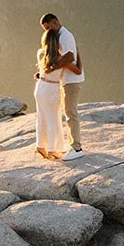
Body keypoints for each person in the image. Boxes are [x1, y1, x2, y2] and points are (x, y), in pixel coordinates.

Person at [40, 13, 85, 161]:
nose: (47, 31)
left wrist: (52, 67)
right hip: (67, 79)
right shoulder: (61, 36)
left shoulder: (65, 36)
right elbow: (74, 56)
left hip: (71, 80)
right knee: (68, 111)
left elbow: (70, 57)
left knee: (70, 112)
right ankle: (74, 145)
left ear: (54, 22)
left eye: (48, 27)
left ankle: (76, 148)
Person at [34, 23, 72, 158]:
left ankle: (40, 146)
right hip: (52, 88)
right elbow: (74, 67)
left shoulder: (40, 53)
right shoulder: (60, 57)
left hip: (40, 86)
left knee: (41, 117)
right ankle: (52, 149)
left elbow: (42, 70)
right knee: (53, 119)